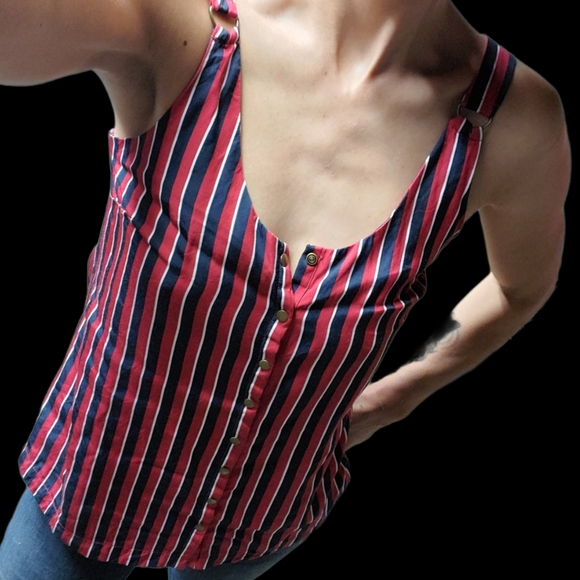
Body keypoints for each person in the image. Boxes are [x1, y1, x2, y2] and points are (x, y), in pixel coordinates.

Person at [0, 0, 570, 578]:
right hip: (82, 491)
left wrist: (396, 397)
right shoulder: (190, 25)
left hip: (258, 525)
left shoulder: (509, 122)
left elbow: (518, 289)